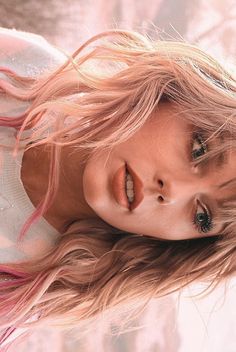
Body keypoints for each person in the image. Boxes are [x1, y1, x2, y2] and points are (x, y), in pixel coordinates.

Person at [0, 27, 236, 348]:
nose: (172, 192)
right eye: (198, 149)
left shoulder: (19, 285)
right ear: (169, 97)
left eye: (202, 216)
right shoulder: (22, 67)